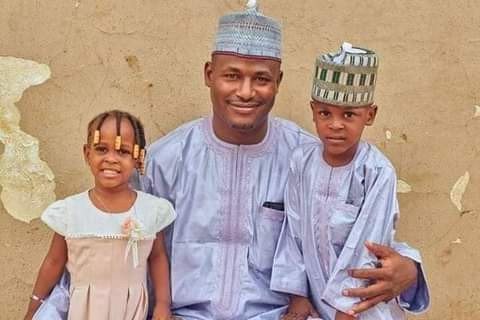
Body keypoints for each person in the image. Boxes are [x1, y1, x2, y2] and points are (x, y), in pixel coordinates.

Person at [141, 1, 429, 319]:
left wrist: (409, 269)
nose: (246, 92)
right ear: (209, 74)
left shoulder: (309, 159)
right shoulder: (165, 159)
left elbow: (353, 235)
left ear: (279, 81)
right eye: (232, 76)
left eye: (261, 79)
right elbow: (128, 244)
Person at [270, 43, 428, 320]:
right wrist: (297, 296)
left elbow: (367, 244)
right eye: (325, 113)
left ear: (370, 115)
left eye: (349, 114)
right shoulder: (301, 162)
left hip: (362, 306)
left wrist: (348, 310)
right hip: (315, 303)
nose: (335, 125)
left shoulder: (376, 170)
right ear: (313, 111)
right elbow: (292, 232)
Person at [25, 110, 176, 320]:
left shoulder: (151, 210)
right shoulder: (70, 212)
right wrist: (34, 307)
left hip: (130, 309)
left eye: (122, 151)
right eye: (101, 149)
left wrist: (162, 304)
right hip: (83, 310)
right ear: (87, 154)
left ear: (138, 157)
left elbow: (158, 258)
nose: (111, 159)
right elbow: (53, 262)